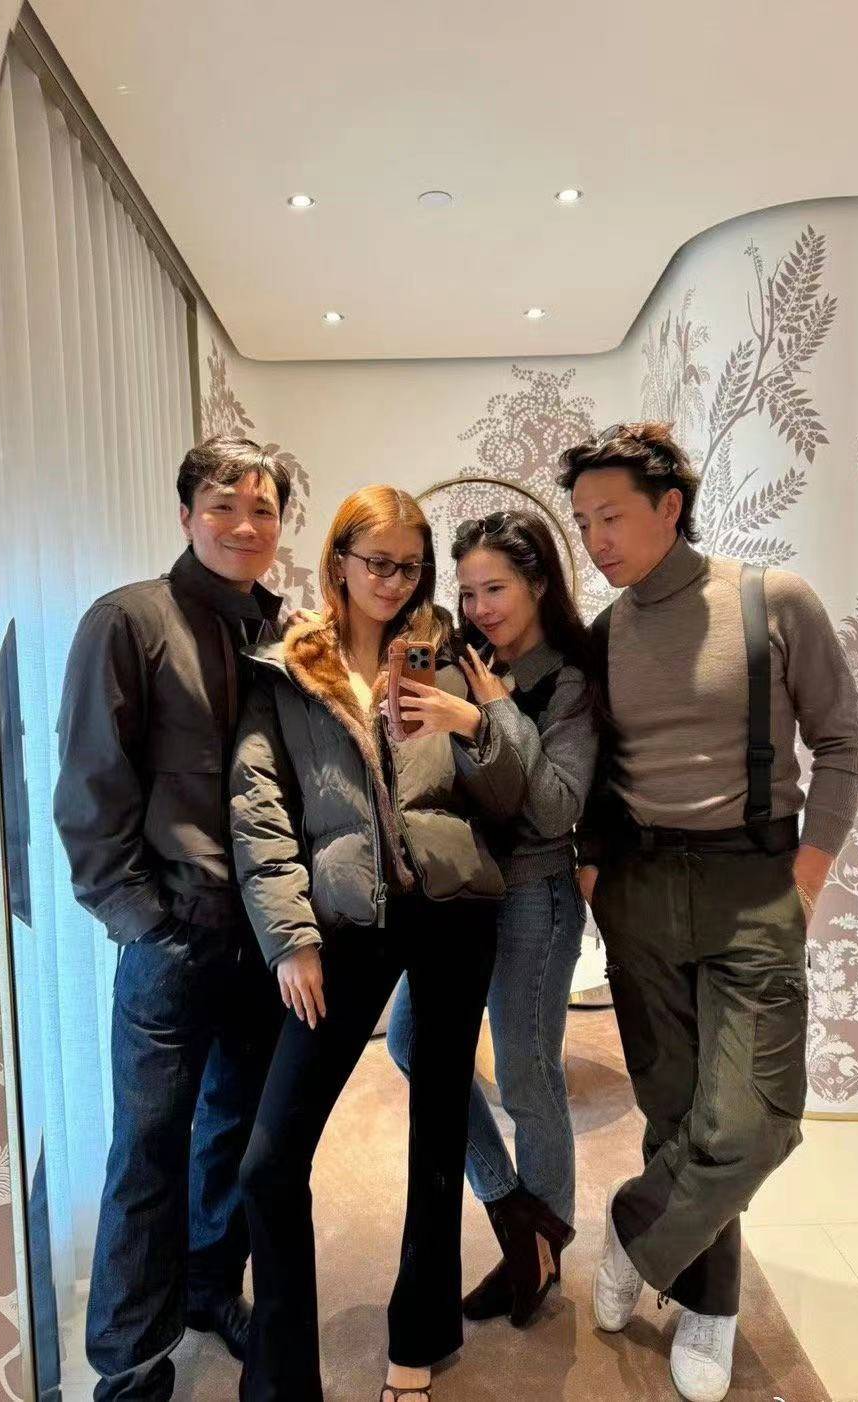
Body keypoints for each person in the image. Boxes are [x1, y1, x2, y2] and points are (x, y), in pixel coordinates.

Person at [559, 422, 858, 1402]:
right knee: (675, 1110)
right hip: (641, 888)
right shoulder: (604, 635)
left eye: (611, 517)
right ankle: (711, 1305)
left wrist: (807, 879)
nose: (596, 540)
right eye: (583, 522)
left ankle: (632, 1233)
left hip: (754, 883)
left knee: (754, 1120)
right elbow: (590, 772)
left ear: (669, 507)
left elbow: (843, 744)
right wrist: (596, 878)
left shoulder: (772, 601)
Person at [231, 485, 528, 1402]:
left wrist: (473, 722)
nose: (395, 582)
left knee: (438, 1128)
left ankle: (419, 1338)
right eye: (378, 563)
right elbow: (258, 808)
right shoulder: (288, 668)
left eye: (411, 566)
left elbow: (511, 792)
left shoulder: (455, 654)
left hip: (453, 909)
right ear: (339, 562)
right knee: (270, 1160)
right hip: (345, 921)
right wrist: (290, 940)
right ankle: (282, 1381)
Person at [53, 436, 291, 1402]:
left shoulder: (280, 631)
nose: (244, 524)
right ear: (186, 513)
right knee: (147, 1150)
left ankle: (207, 1288)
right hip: (175, 937)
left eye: (264, 508)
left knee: (233, 1132)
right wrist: (140, 918)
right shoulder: (128, 620)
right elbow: (90, 786)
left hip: (265, 938)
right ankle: (129, 1362)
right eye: (223, 504)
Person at [387, 509, 599, 1326]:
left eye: (497, 588)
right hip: (462, 893)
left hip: (534, 897)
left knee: (526, 1075)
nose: (479, 607)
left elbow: (553, 808)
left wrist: (487, 717)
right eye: (468, 591)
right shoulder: (461, 657)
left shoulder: (568, 680)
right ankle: (517, 1213)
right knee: (410, 1042)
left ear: (539, 583)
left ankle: (539, 1254)